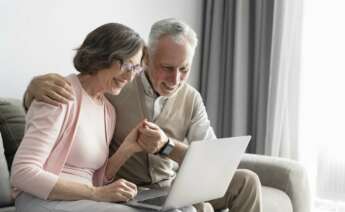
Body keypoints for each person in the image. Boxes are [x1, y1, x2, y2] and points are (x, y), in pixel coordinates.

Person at [23, 18, 262, 212]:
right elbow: (73, 95)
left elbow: (211, 161)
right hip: (131, 187)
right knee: (196, 209)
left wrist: (165, 147)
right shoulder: (116, 85)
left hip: (170, 185)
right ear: (147, 58)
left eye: (184, 69)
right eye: (167, 68)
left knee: (246, 181)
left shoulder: (190, 98)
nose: (175, 79)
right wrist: (32, 89)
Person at [11, 22, 195, 212]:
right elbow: (22, 173)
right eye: (127, 66)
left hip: (83, 201)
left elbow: (96, 181)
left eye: (136, 69)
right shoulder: (59, 94)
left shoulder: (107, 110)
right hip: (42, 200)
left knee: (185, 210)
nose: (130, 77)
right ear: (101, 57)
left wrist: (127, 149)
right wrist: (96, 194)